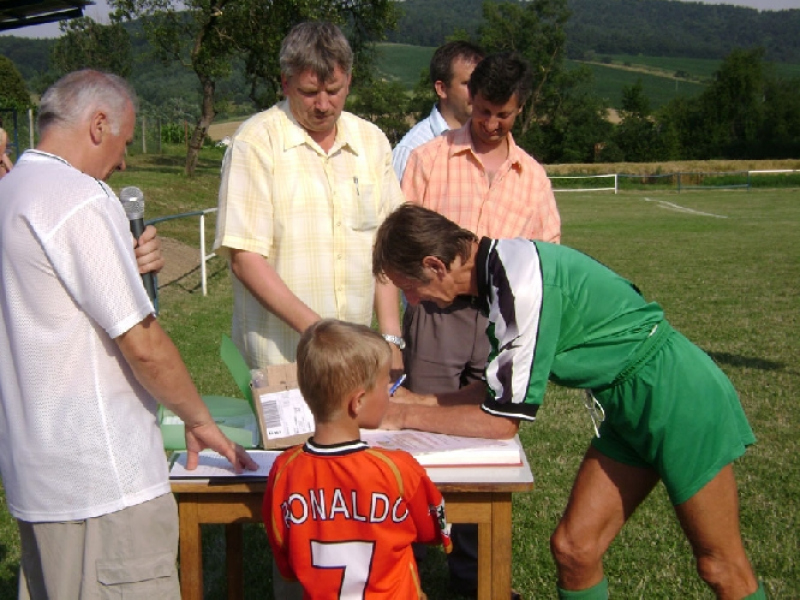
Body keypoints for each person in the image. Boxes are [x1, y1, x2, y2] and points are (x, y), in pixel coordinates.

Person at [372, 204, 765, 600]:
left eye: (409, 287)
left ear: (435, 265)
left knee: (720, 566)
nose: (414, 301)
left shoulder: (516, 284)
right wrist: (420, 400)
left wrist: (402, 415)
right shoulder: (498, 272)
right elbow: (498, 389)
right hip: (629, 403)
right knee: (575, 550)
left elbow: (500, 421)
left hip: (677, 395)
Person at [0, 69, 257, 600]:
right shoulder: (80, 198)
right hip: (102, 482)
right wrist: (199, 418)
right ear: (98, 124)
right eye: (123, 143)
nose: (122, 163)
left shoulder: (12, 192)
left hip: (36, 476)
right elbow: (143, 343)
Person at [400, 51, 561, 596]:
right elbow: (401, 241)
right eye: (485, 110)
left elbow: (548, 254)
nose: (492, 125)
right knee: (420, 437)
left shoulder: (533, 178)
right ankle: (408, 573)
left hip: (501, 323)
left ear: (522, 110)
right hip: (436, 315)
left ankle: (474, 578)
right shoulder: (428, 160)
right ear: (469, 99)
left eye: (505, 115)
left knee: (487, 439)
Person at [214, 21, 405, 375]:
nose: (322, 105)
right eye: (308, 92)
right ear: (285, 83)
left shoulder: (371, 142)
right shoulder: (256, 143)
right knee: (296, 435)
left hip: (357, 357)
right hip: (283, 361)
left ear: (349, 79)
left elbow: (387, 247)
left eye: (333, 90)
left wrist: (391, 338)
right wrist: (323, 334)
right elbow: (245, 258)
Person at [263, 319, 452, 599]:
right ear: (358, 401)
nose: (390, 391)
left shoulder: (284, 471)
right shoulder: (398, 469)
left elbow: (284, 553)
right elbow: (434, 531)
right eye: (387, 381)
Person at [392, 40, 484, 181]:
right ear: (442, 89)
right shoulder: (413, 149)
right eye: (468, 84)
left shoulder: (486, 142)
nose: (478, 92)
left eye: (481, 83)